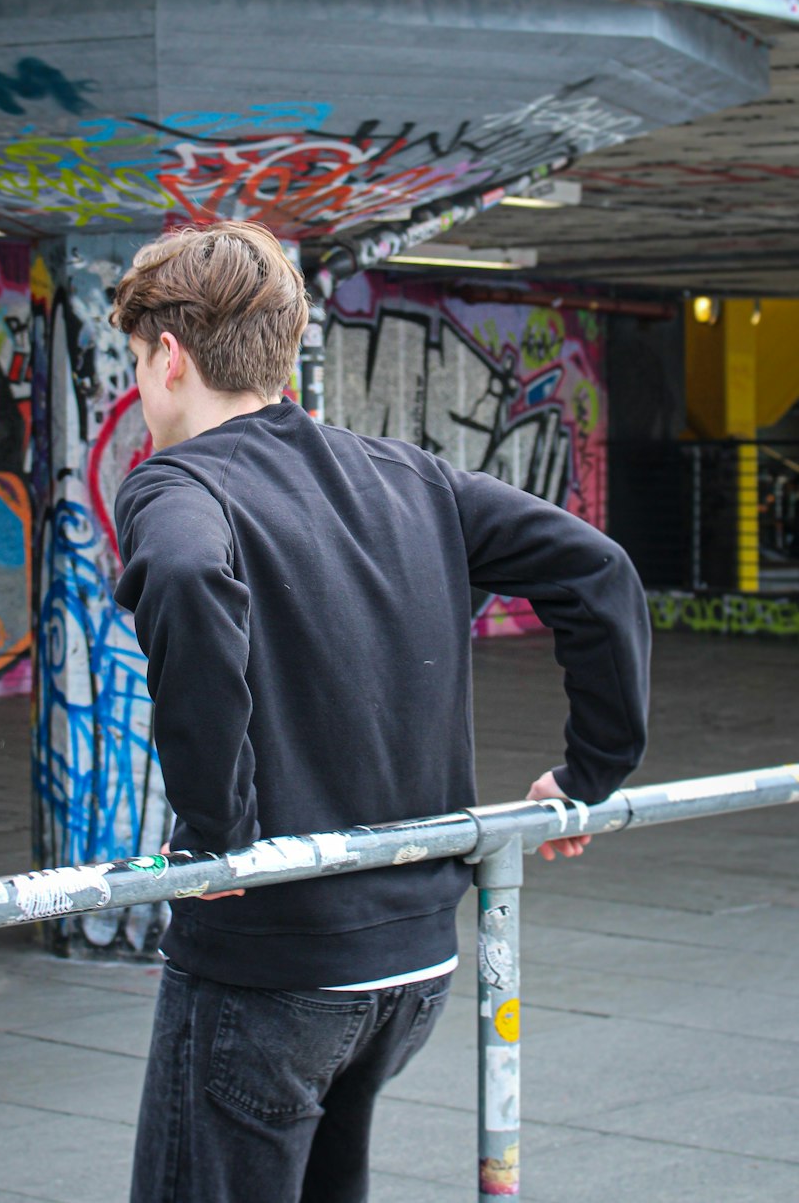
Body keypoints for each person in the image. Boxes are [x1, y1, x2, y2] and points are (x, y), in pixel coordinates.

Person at [110, 220, 649, 1203]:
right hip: (413, 961)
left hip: (273, 968)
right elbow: (596, 567)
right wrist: (592, 767)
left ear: (170, 355)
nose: (141, 387)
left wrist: (216, 839)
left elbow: (186, 573)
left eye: (139, 361)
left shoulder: (176, 485)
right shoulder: (408, 477)